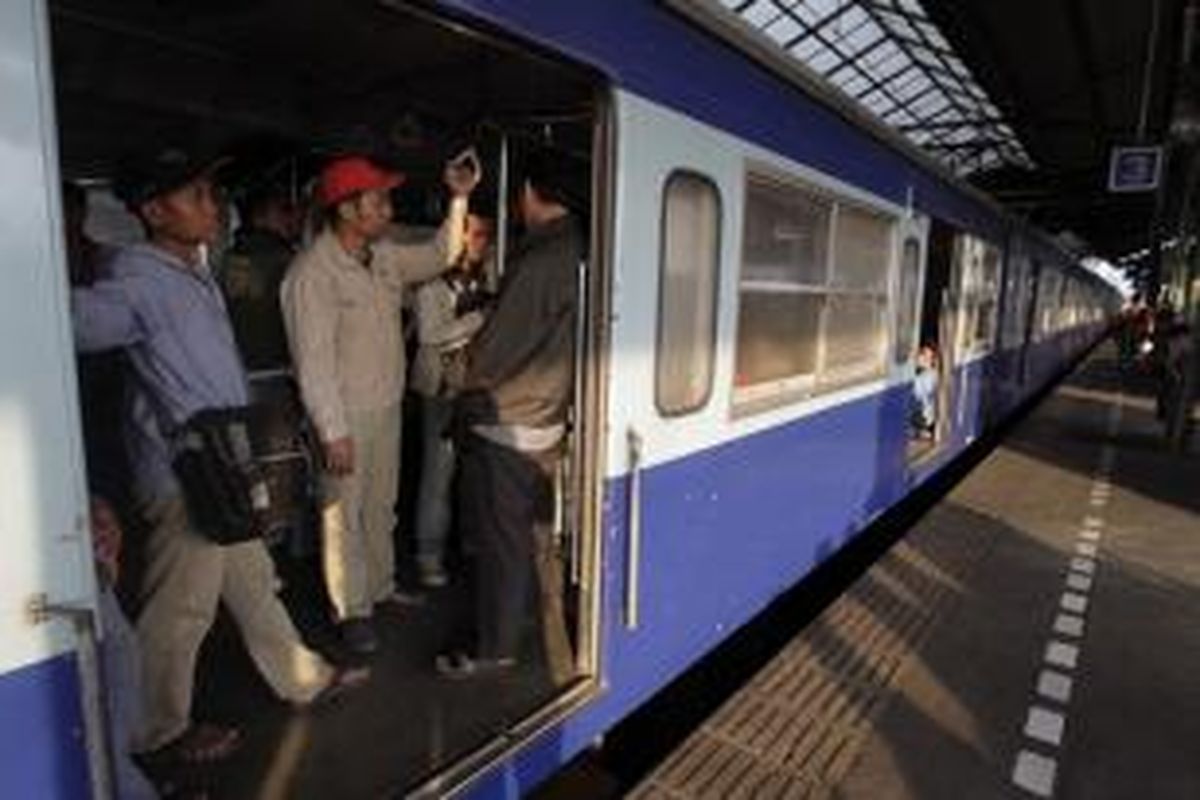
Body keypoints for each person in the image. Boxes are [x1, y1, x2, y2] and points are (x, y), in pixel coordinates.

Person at [70, 145, 367, 763]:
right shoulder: (138, 279)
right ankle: (156, 733)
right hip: (186, 476)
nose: (214, 204)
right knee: (180, 610)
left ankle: (300, 677)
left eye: (213, 192)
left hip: (221, 466)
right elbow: (76, 322)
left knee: (254, 581)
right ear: (154, 210)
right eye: (197, 195)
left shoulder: (190, 268)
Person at [282, 152, 481, 656]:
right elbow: (314, 362)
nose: (389, 207)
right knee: (341, 516)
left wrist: (459, 198)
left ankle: (380, 588)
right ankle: (352, 610)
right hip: (344, 416)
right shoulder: (312, 274)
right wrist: (331, 431)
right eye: (380, 199)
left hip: (386, 405)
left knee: (379, 507)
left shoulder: (386, 255)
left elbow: (439, 254)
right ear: (347, 210)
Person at [437, 148, 581, 685]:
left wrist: (459, 372)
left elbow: (496, 350)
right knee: (538, 539)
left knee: (500, 543)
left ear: (529, 194)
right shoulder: (578, 246)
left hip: (511, 419)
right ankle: (549, 637)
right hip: (549, 413)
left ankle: (495, 647)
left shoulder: (538, 259)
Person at [410, 209, 494, 588]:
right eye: (475, 234)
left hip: (472, 389)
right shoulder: (431, 285)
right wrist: (479, 319)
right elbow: (431, 334)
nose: (483, 242)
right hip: (441, 391)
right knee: (438, 475)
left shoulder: (481, 281)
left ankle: (469, 543)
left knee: (471, 474)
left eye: (485, 235)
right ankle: (428, 555)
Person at [219, 182, 301, 370]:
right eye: (283, 210)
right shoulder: (283, 260)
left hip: (243, 365)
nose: (293, 217)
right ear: (259, 218)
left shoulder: (235, 256)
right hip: (279, 367)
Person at [911, 343, 939, 439]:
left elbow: (918, 399)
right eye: (921, 353)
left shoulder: (930, 376)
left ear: (932, 360)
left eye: (926, 356)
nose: (921, 357)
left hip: (921, 418)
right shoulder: (920, 374)